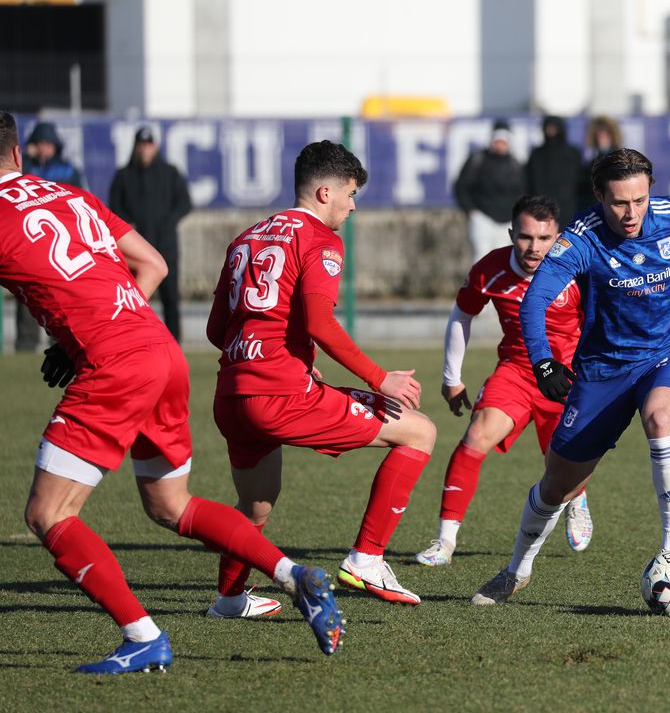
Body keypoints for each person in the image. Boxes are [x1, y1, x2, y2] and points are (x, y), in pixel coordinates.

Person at [0, 111, 342, 673]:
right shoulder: (68, 194)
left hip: (116, 364)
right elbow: (152, 264)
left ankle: (142, 636)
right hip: (159, 350)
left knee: (48, 512)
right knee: (169, 505)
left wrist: (85, 336)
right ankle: (292, 574)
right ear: (18, 154)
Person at [472, 147, 670, 605]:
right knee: (557, 485)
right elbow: (534, 301)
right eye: (620, 202)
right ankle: (515, 570)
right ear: (600, 195)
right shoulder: (580, 240)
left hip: (667, 352)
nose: (631, 213)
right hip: (603, 369)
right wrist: (544, 362)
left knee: (662, 420)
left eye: (640, 200)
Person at [205, 140, 436, 616]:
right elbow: (320, 323)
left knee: (257, 504)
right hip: (279, 394)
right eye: (350, 195)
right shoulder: (320, 239)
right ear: (325, 192)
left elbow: (214, 329)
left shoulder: (247, 237)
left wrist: (285, 353)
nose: (353, 206)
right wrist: (379, 378)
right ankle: (368, 559)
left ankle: (228, 598)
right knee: (419, 431)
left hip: (232, 394)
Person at [415, 195, 591, 568]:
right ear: (512, 233)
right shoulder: (490, 270)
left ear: (557, 236)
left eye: (544, 239)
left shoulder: (575, 269)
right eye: (526, 237)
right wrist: (452, 377)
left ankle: (578, 500)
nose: (534, 247)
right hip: (515, 373)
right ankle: (445, 541)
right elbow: (462, 314)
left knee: (561, 466)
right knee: (476, 436)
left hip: (565, 379)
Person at [109, 126, 193, 342]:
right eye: (141, 145)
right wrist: (130, 225)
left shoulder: (170, 173)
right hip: (134, 251)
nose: (145, 149)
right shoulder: (123, 176)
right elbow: (113, 209)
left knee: (170, 300)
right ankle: (131, 340)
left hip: (165, 247)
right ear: (135, 147)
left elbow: (185, 203)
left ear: (155, 147)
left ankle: (175, 342)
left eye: (149, 145)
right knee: (133, 298)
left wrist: (169, 221)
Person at [15, 121, 87, 352]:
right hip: (30, 247)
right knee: (28, 299)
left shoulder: (68, 171)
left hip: (59, 249)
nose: (44, 149)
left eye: (48, 144)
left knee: (61, 301)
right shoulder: (26, 169)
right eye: (39, 144)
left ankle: (62, 346)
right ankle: (25, 345)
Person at [453, 120, 527, 262]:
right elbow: (462, 186)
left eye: (504, 141)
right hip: (483, 217)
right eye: (498, 140)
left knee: (504, 260)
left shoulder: (516, 164)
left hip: (507, 220)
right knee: (481, 257)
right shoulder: (478, 160)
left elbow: (522, 191)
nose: (501, 145)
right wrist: (471, 210)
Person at [524, 115, 584, 226]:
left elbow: (581, 183)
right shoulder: (537, 154)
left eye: (554, 128)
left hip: (569, 212)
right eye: (548, 128)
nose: (550, 132)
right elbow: (528, 183)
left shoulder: (572, 153)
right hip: (541, 212)